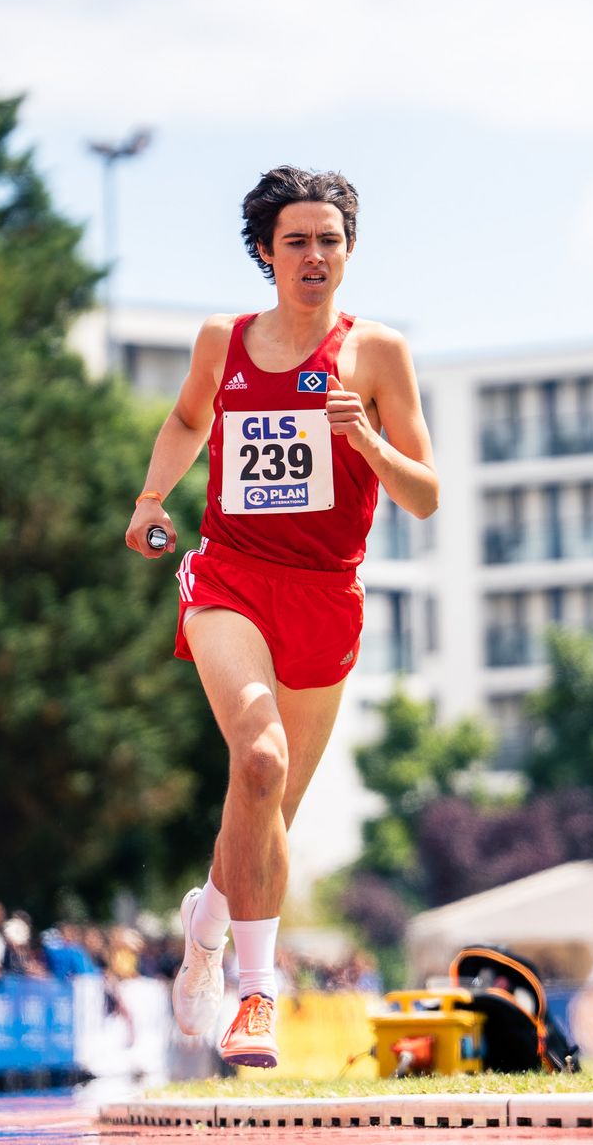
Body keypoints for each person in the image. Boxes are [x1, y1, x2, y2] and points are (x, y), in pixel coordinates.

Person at [126, 167, 437, 1067]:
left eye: (329, 240)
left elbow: (423, 496)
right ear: (266, 251)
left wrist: (366, 439)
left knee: (270, 810)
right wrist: (152, 497)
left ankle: (208, 921)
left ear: (349, 251)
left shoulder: (376, 355)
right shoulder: (222, 341)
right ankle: (256, 994)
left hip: (325, 594)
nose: (314, 255)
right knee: (256, 759)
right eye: (296, 240)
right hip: (231, 575)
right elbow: (188, 421)